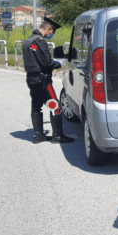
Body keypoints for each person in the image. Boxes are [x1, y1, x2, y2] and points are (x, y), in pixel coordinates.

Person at [22, 16, 74, 144]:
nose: (52, 34)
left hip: (31, 79)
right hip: (43, 80)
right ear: (49, 29)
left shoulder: (27, 41)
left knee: (36, 107)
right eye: (53, 31)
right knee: (55, 107)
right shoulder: (40, 41)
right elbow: (47, 64)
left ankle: (38, 135)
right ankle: (58, 136)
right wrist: (61, 64)